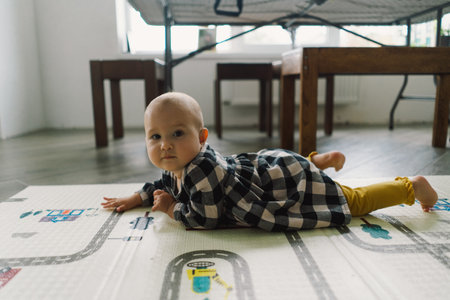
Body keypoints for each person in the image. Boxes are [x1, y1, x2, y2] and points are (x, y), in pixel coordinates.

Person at [101, 92, 438, 231]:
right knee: (300, 170)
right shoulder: (179, 163)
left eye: (176, 134)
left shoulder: (201, 169)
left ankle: (409, 187)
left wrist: (172, 208)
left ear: (202, 138)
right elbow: (163, 183)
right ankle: (316, 162)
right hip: (275, 166)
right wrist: (139, 197)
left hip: (281, 183)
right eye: (155, 137)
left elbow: (204, 219)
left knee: (352, 201)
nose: (165, 146)